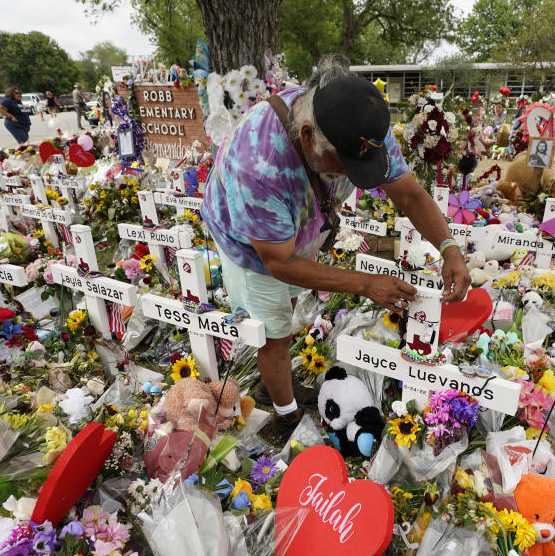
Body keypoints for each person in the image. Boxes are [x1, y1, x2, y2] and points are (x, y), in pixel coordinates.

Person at [200, 54, 470, 444]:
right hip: (249, 244)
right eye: (342, 164)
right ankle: (286, 416)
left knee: (287, 310)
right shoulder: (259, 162)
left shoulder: (360, 127)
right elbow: (279, 262)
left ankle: (277, 383)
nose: (351, 176)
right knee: (273, 330)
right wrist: (363, 284)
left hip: (295, 230)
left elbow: (409, 195)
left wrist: (449, 249)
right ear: (308, 136)